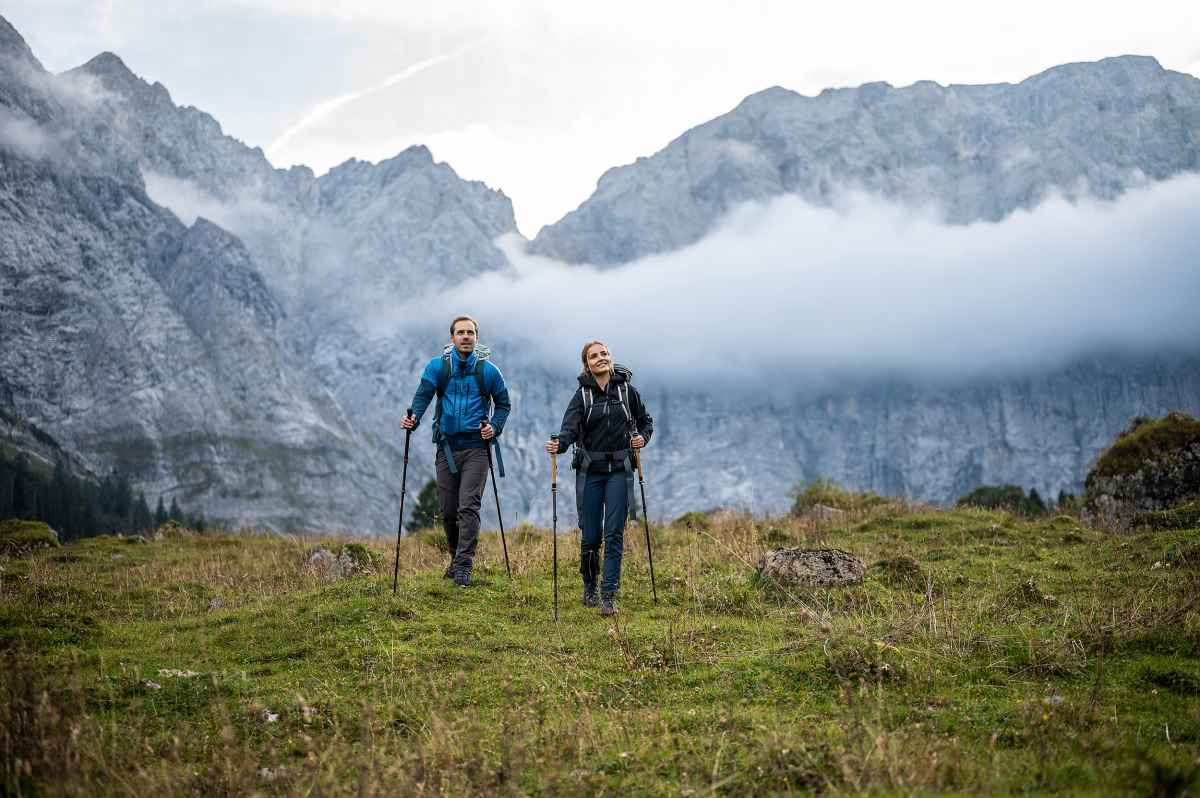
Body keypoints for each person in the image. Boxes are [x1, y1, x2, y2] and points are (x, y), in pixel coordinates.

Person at [545, 340, 652, 616]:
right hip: (590, 472)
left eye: (604, 354)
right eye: (594, 356)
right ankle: (589, 586)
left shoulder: (628, 391)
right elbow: (568, 430)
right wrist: (560, 444)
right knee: (590, 536)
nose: (601, 358)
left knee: (614, 533)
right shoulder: (581, 396)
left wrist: (643, 438)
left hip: (619, 470)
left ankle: (608, 595)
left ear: (610, 357)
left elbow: (645, 421)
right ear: (587, 364)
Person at [402, 315, 511, 587]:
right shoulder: (438, 367)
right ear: (452, 338)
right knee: (449, 511)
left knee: (468, 507)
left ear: (476, 338)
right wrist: (413, 419)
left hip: (477, 448)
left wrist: (494, 427)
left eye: (470, 333)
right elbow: (423, 395)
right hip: (447, 448)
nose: (465, 337)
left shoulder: (489, 371)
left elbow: (503, 404)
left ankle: (464, 566)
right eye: (460, 332)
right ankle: (454, 558)